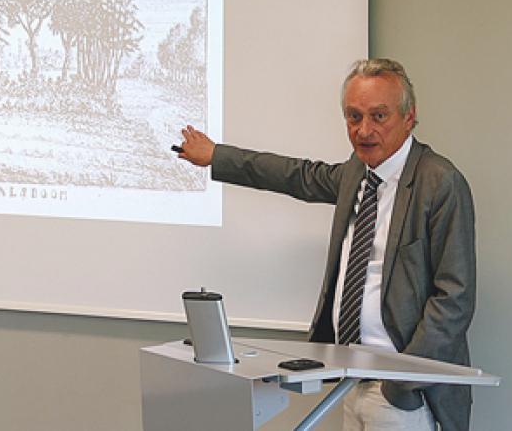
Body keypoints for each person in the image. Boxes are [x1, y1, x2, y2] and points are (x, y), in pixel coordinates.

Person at [176, 58, 476, 431]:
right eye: (354, 117)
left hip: (404, 393)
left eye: (378, 116)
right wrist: (218, 156)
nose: (364, 130)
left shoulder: (440, 182)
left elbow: (454, 300)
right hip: (350, 379)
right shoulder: (357, 173)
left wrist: (401, 383)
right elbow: (295, 175)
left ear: (409, 116)